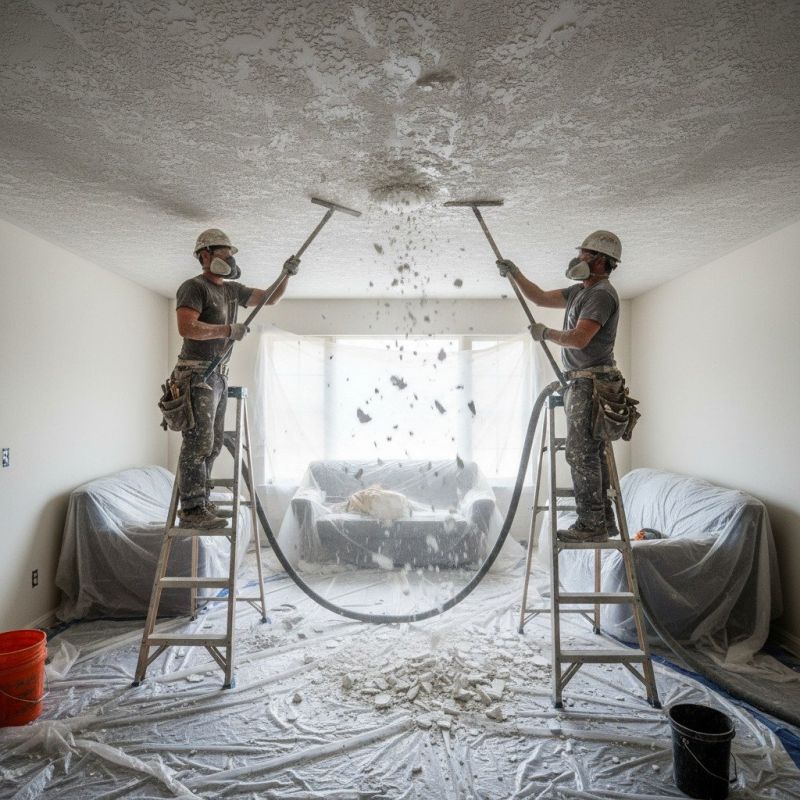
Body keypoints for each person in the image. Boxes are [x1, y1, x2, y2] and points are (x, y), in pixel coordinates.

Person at [497, 230, 628, 543]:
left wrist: (546, 333)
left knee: (581, 453)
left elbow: (580, 338)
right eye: (581, 251)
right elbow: (541, 297)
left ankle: (592, 525)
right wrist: (516, 274)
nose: (579, 257)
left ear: (602, 260)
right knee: (590, 453)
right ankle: (604, 521)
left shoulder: (600, 294)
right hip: (583, 381)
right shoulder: (580, 290)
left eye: (585, 253)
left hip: (592, 382)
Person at [170, 228, 299, 529]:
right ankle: (191, 509)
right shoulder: (193, 287)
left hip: (216, 376)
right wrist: (227, 330)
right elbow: (187, 328)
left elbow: (269, 299)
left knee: (213, 444)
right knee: (198, 441)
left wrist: (286, 275)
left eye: (230, 254)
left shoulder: (231, 290)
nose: (228, 258)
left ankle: (202, 500)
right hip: (195, 373)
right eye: (222, 253)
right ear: (204, 256)